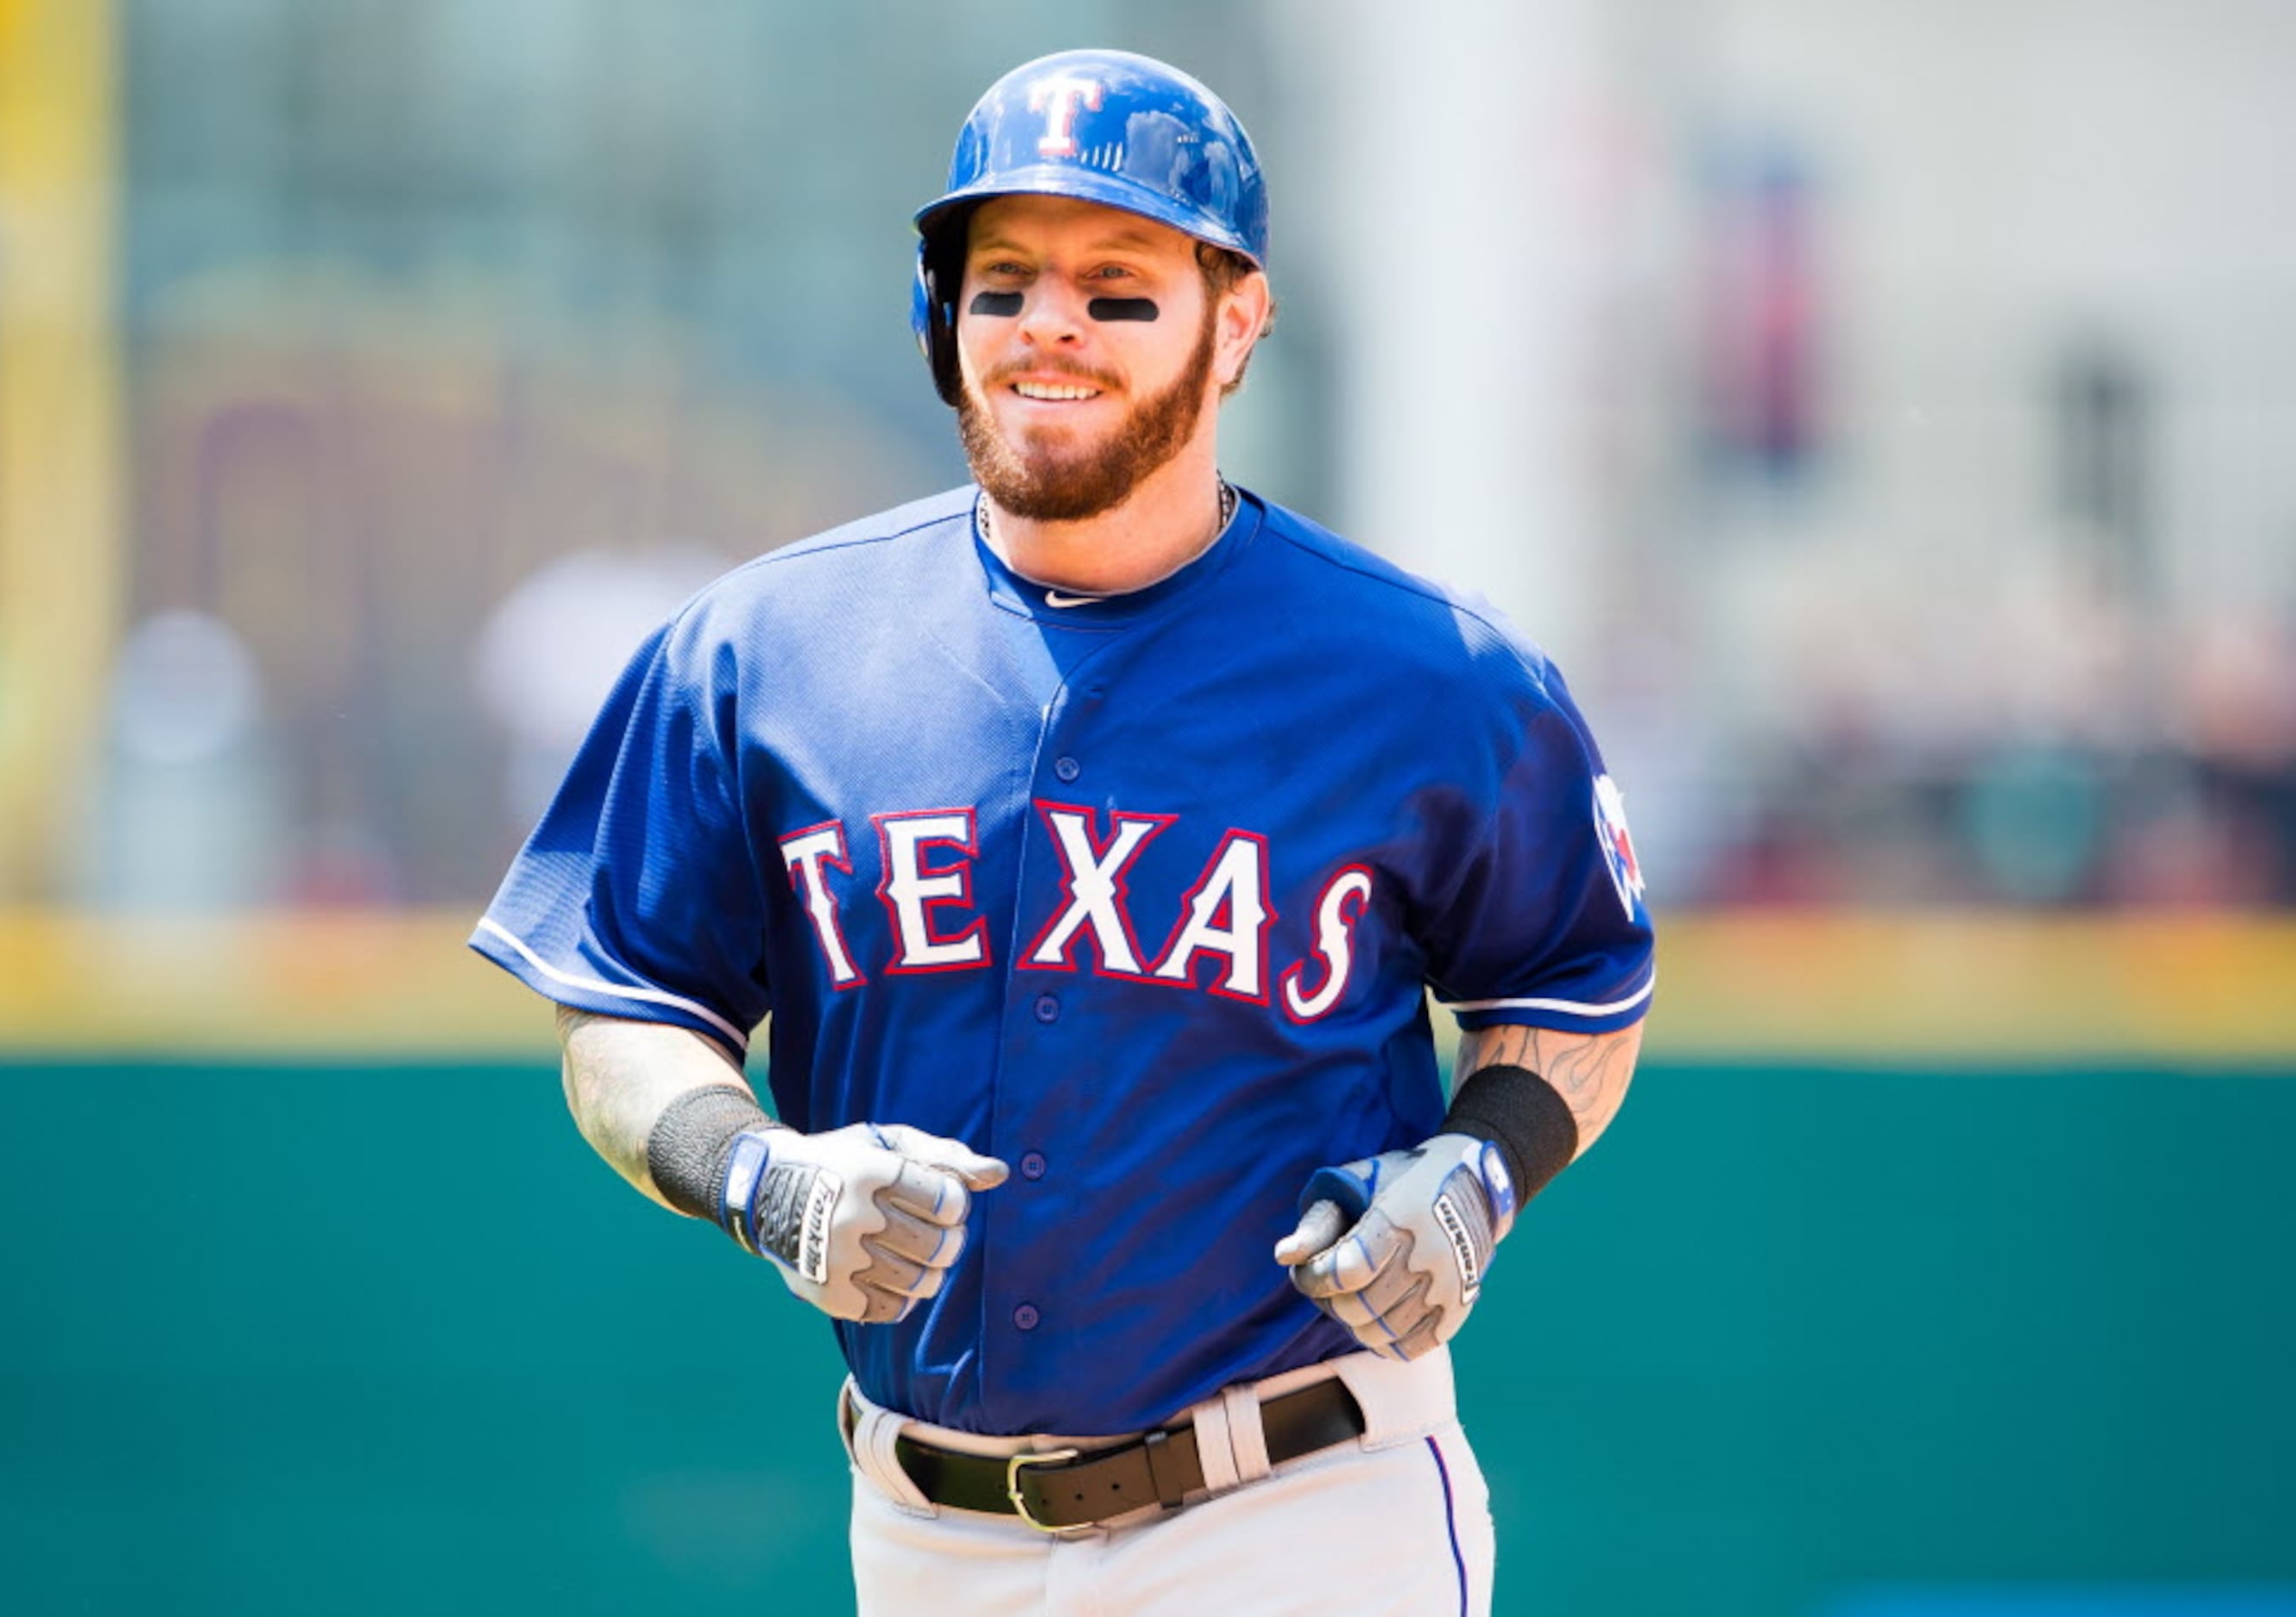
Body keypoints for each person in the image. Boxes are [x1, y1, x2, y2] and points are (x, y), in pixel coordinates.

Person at [472, 47, 1653, 1615]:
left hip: (1300, 1504)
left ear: (1235, 323)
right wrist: (757, 1173)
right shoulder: (766, 647)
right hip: (921, 1525)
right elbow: (621, 1012)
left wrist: (1481, 1168)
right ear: (937, 314)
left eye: (1118, 284)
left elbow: (1575, 987)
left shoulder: (1430, 674)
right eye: (1005, 277)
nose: (1051, 325)